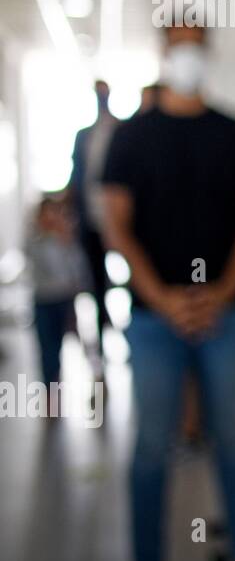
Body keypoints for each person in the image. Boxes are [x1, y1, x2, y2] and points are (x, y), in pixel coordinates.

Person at [100, 19, 235, 561]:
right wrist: (162, 297)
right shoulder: (132, 136)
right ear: (163, 52)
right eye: (178, 46)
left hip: (228, 312)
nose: (188, 56)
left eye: (196, 46)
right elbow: (117, 225)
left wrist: (222, 291)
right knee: (151, 446)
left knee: (232, 440)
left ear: (208, 53)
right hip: (153, 317)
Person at [69, 79, 117, 373]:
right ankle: (100, 345)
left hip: (122, 223)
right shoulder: (83, 136)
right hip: (91, 221)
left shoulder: (124, 132)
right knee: (96, 283)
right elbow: (77, 177)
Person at [25, 195, 91, 387]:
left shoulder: (67, 241)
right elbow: (44, 268)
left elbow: (79, 271)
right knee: (48, 349)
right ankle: (50, 389)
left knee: (80, 344)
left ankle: (95, 380)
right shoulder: (34, 242)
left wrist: (65, 242)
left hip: (65, 300)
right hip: (44, 301)